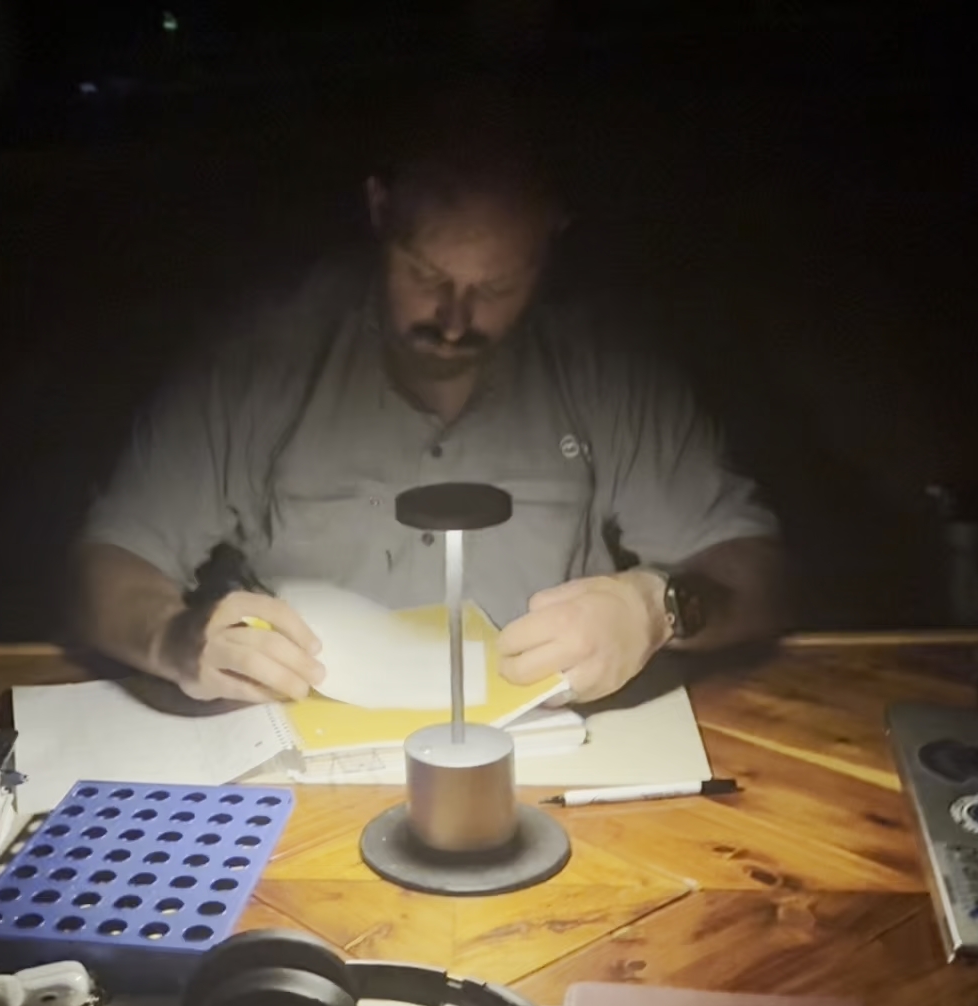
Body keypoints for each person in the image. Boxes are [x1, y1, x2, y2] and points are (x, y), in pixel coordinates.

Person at [70, 101, 785, 709]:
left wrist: (656, 608)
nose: (453, 320)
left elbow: (759, 574)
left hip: (546, 751)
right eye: (427, 274)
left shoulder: (605, 367)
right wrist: (173, 640)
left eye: (496, 288)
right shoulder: (261, 356)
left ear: (553, 234)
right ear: (379, 209)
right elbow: (110, 562)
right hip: (300, 751)